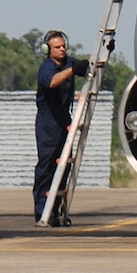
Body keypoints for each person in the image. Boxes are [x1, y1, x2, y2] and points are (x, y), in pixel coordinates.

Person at [34, 30, 90, 226]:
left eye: (63, 46)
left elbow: (85, 67)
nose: (62, 50)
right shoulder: (47, 68)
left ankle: (55, 211)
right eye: (57, 47)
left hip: (64, 122)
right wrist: (72, 71)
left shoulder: (68, 62)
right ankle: (42, 211)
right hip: (48, 125)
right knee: (47, 167)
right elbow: (51, 82)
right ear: (48, 50)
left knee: (63, 167)